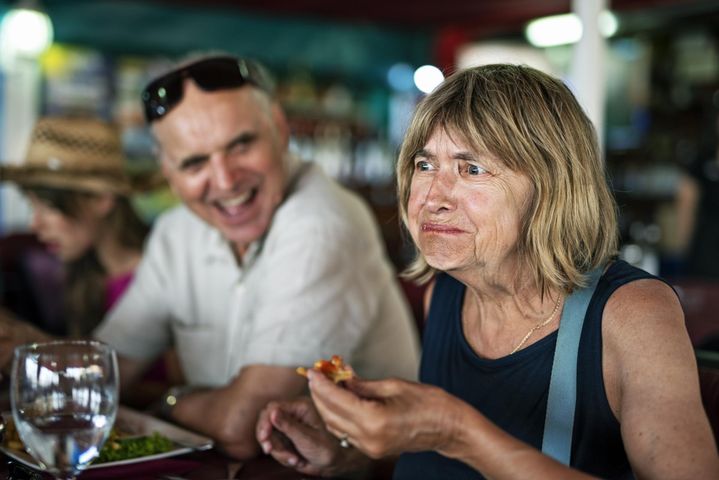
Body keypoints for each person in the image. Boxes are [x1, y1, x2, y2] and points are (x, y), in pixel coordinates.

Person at [258, 64, 719, 479]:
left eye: (472, 168)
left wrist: (453, 430)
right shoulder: (449, 292)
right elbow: (445, 465)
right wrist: (349, 455)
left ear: (551, 187)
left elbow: (458, 443)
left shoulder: (633, 313)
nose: (433, 196)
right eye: (424, 164)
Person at [90, 54, 420, 459]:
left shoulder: (321, 222)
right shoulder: (176, 232)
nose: (226, 181)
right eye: (194, 163)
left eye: (241, 145)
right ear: (167, 171)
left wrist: (166, 404)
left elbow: (240, 429)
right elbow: (101, 375)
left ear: (280, 130)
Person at [0, 116, 156, 367]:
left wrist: (27, 344)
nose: (35, 223)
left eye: (49, 207)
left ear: (101, 200)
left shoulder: (161, 276)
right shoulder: (84, 273)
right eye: (33, 207)